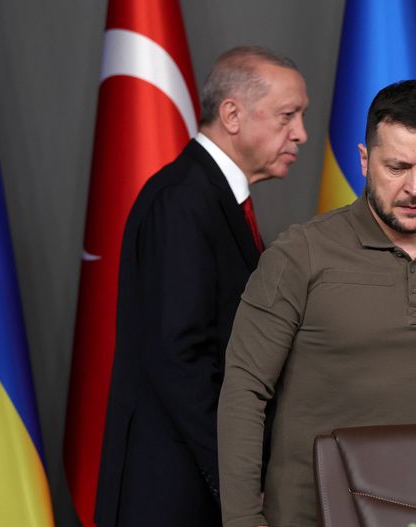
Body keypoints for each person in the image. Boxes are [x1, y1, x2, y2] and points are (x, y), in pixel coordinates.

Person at [217, 80, 416, 527]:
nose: (415, 188)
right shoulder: (299, 254)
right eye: (397, 167)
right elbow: (244, 391)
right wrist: (243, 521)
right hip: (307, 516)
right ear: (364, 160)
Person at [94, 46, 308, 527]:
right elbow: (181, 359)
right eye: (287, 115)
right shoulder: (182, 201)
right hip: (172, 494)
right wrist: (241, 476)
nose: (301, 133)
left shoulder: (211, 197)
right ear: (232, 115)